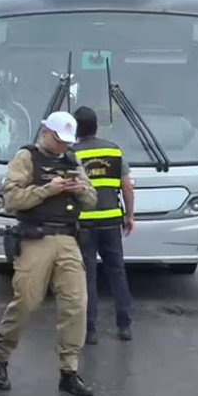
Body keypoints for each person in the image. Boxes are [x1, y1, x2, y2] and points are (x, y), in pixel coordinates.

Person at [0, 111, 98, 396]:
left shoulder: (73, 160)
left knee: (77, 302)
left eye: (67, 142)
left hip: (67, 238)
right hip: (36, 237)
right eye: (59, 140)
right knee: (27, 301)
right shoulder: (26, 158)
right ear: (45, 133)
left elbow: (91, 199)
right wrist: (48, 190)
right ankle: (0, 358)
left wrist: (79, 190)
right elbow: (12, 200)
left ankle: (69, 370)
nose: (64, 147)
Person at [71, 106, 135, 345]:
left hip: (83, 225)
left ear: (75, 130)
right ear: (96, 126)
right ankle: (124, 325)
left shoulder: (71, 154)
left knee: (88, 277)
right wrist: (130, 215)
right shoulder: (113, 151)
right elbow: (127, 186)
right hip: (111, 224)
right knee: (117, 273)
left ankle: (90, 331)